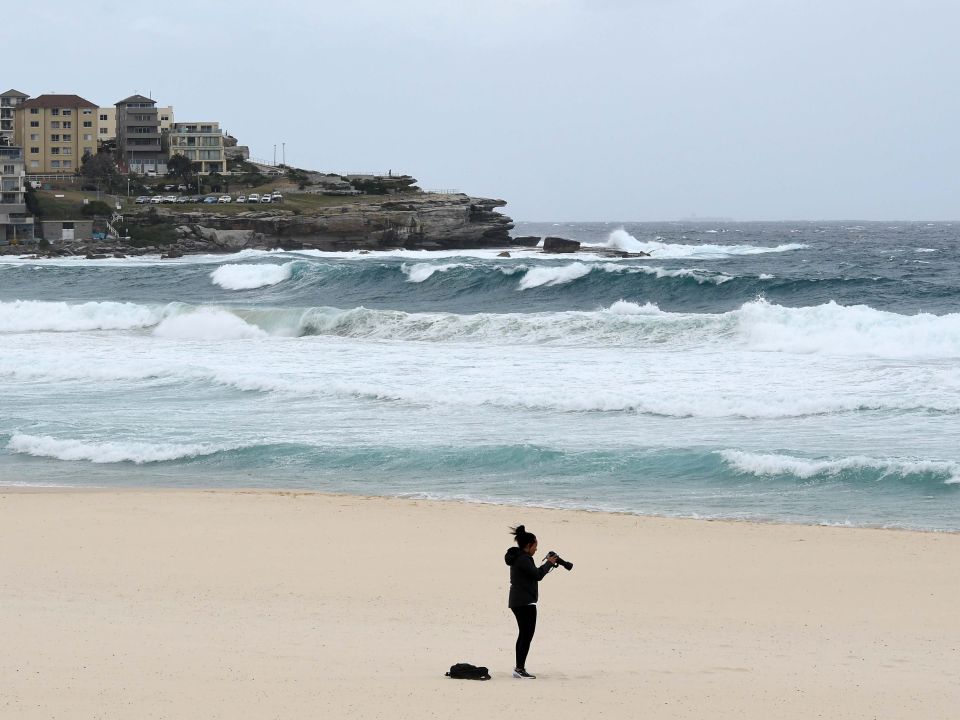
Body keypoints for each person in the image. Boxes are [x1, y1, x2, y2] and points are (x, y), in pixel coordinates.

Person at [504, 524, 558, 679]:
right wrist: (548, 563)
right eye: (535, 546)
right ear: (529, 545)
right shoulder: (523, 559)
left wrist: (547, 564)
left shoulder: (519, 557)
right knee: (526, 635)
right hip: (524, 601)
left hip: (518, 601)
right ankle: (519, 669)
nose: (536, 549)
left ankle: (519, 668)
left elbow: (534, 574)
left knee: (524, 634)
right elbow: (537, 575)